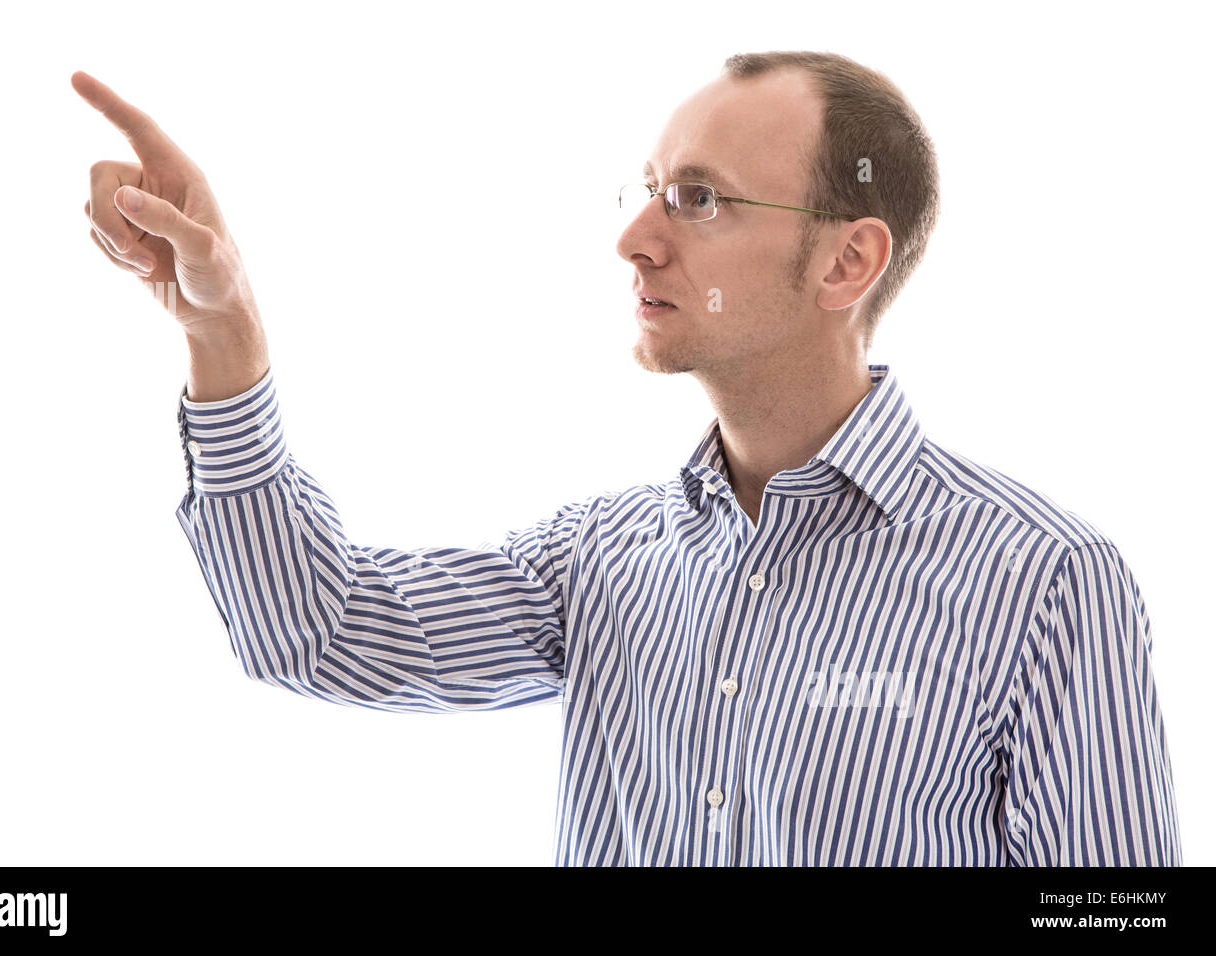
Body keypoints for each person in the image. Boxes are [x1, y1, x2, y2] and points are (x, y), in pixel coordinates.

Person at [73, 51, 1182, 866]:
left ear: (848, 260)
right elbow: (313, 628)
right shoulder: (598, 559)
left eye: (697, 198)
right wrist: (222, 328)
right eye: (648, 189)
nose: (635, 237)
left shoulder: (1042, 579)